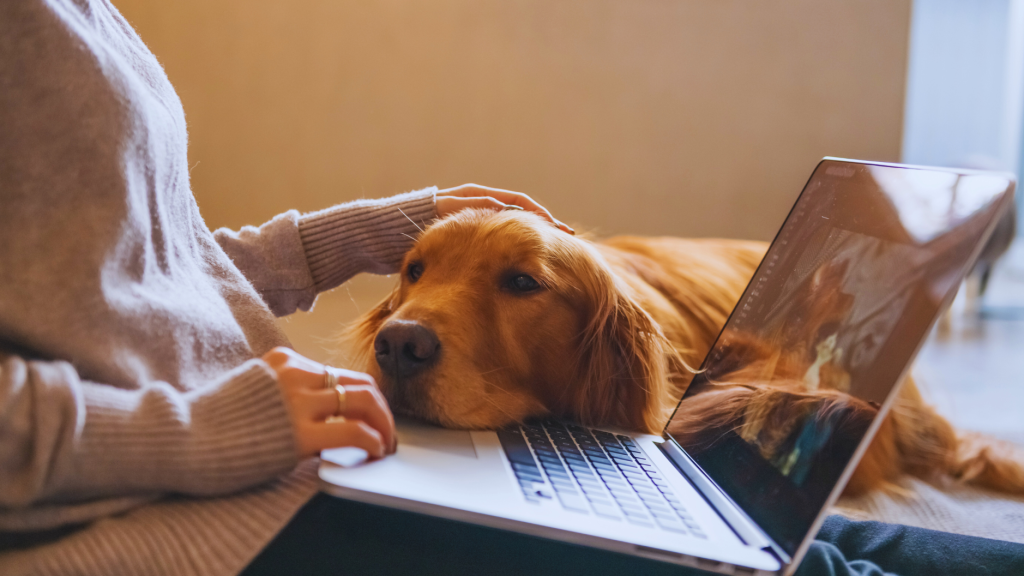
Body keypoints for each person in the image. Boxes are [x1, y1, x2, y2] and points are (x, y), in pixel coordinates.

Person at [3, 1, 1024, 575]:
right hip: (159, 513)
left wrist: (371, 233)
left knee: (786, 534)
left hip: (263, 453)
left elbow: (134, 259)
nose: (408, 324)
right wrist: (206, 431)